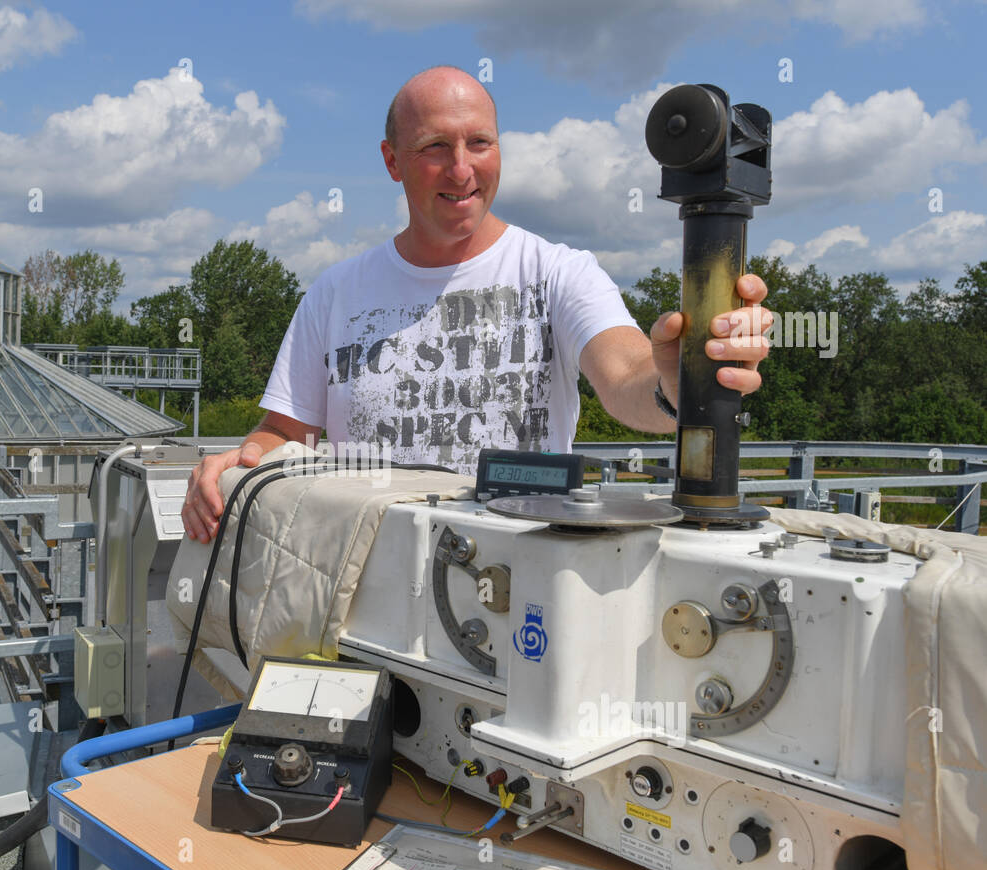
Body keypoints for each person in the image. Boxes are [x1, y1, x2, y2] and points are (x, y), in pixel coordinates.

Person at [182, 66, 772, 542]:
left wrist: (675, 377)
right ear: (392, 161)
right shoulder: (333, 294)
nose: (462, 169)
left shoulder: (558, 272)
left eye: (479, 143)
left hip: (522, 590)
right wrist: (241, 460)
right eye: (435, 146)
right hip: (358, 587)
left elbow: (626, 377)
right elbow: (286, 433)